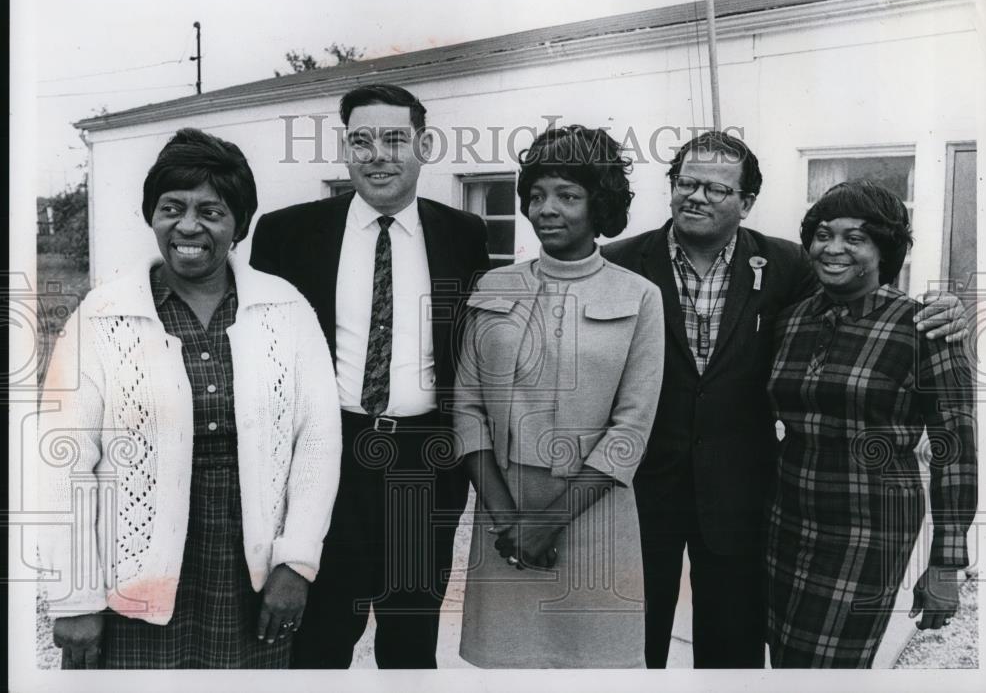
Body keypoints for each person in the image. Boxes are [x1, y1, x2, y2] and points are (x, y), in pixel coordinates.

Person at [601, 131, 968, 668]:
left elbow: (867, 306)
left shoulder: (788, 266)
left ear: (746, 203)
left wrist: (946, 309)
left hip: (748, 502)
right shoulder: (620, 263)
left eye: (716, 188)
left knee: (736, 654)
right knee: (630, 649)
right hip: (642, 495)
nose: (697, 196)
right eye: (686, 183)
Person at [37, 128, 342, 669]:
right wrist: (76, 597)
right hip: (130, 576)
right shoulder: (102, 316)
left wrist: (296, 563)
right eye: (171, 207)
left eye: (211, 211)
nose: (188, 226)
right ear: (150, 215)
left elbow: (316, 441)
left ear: (239, 224)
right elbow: (61, 462)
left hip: (250, 578)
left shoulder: (285, 309)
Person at [250, 84, 491, 668]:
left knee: (410, 641)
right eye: (361, 141)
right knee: (319, 638)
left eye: (393, 139)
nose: (377, 154)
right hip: (325, 453)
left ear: (423, 146)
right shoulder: (287, 234)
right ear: (346, 149)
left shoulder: (464, 235)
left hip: (424, 459)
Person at [453, 125, 665, 668]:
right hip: (505, 515)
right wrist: (509, 522)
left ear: (601, 205)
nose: (547, 209)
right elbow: (469, 410)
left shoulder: (640, 296)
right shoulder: (493, 289)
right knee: (505, 668)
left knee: (593, 669)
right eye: (538, 195)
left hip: (595, 516)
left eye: (568, 196)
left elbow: (631, 429)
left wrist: (547, 523)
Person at [765, 180, 977, 668]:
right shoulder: (791, 320)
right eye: (823, 234)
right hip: (785, 518)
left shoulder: (924, 328)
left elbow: (956, 452)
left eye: (854, 238)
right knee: (785, 657)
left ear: (884, 250)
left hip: (868, 529)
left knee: (829, 666)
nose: (833, 248)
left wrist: (946, 561)